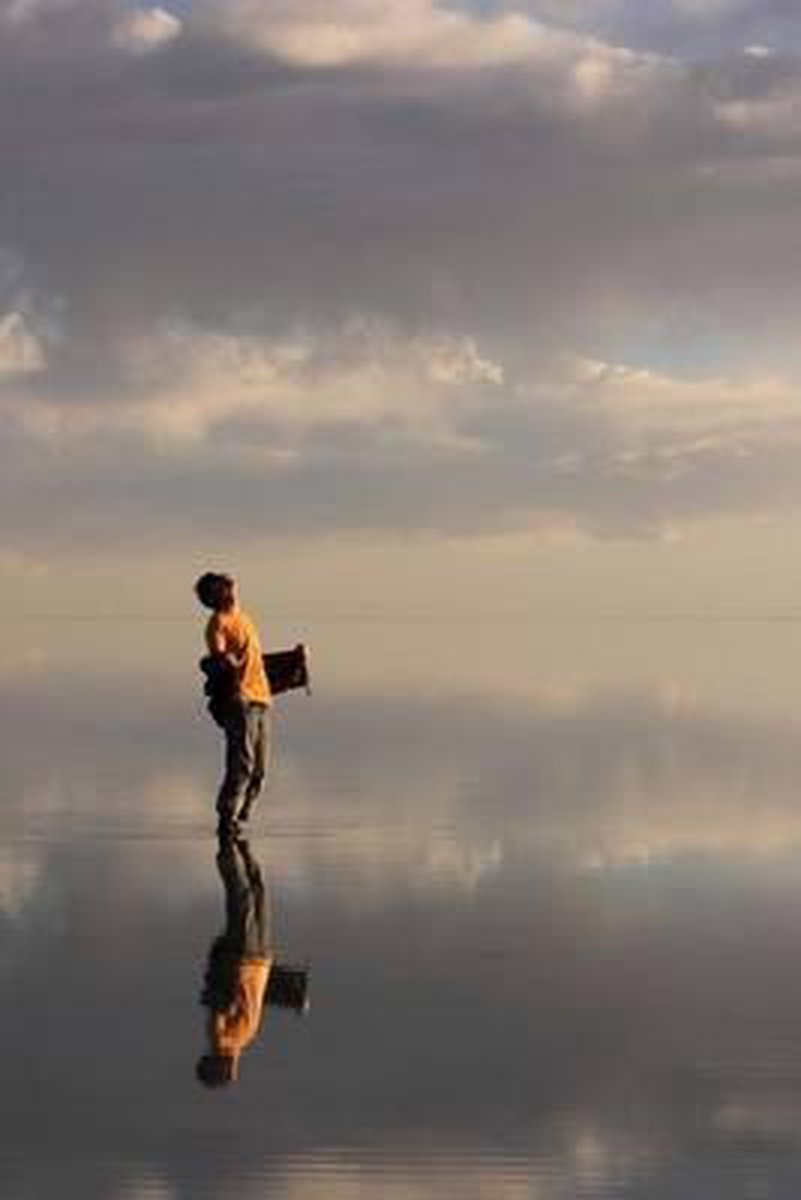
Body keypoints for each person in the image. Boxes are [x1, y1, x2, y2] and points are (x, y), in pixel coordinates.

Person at [194, 572, 271, 836]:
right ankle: (227, 818)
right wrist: (225, 660)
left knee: (260, 769)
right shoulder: (218, 623)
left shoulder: (244, 618)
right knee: (242, 763)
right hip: (240, 701)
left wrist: (296, 658)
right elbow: (218, 658)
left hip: (261, 699)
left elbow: (256, 660)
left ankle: (241, 814)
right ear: (217, 596)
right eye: (224, 586)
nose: (232, 587)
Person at [196, 834, 273, 1088]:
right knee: (253, 894)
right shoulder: (237, 1042)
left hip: (249, 960)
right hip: (254, 961)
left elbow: (221, 1003)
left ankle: (228, 846)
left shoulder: (223, 1039)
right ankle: (237, 847)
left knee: (245, 897)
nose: (234, 1071)